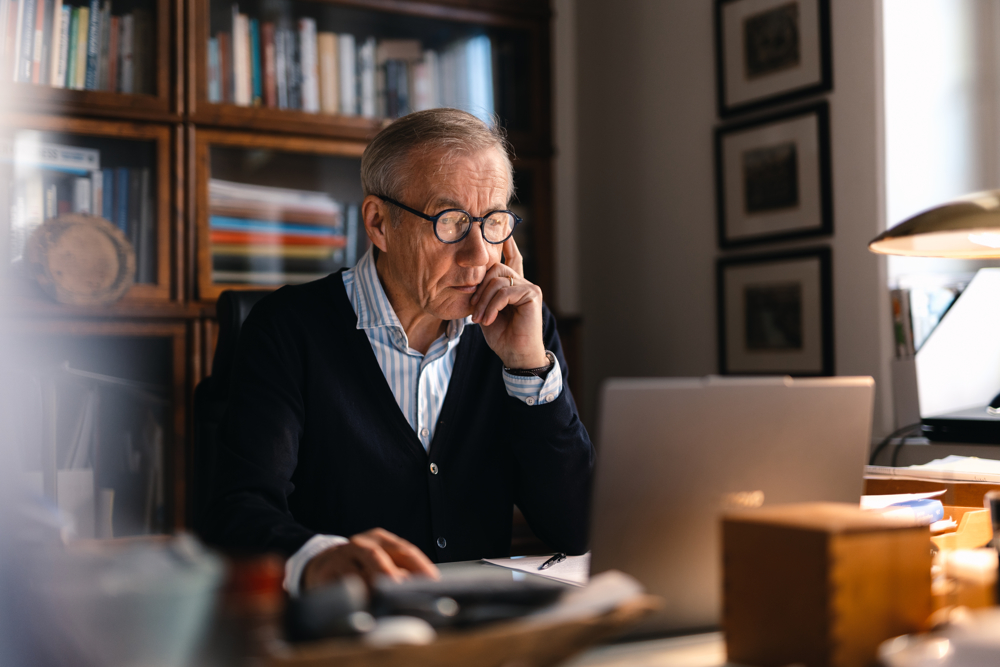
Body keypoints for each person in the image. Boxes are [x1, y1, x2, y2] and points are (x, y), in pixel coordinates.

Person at [204, 108, 594, 595]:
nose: (479, 255)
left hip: (478, 624)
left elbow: (575, 529)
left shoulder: (523, 328)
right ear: (378, 223)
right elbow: (238, 511)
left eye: (493, 222)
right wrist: (323, 558)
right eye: (451, 222)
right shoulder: (287, 328)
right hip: (348, 622)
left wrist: (527, 369)